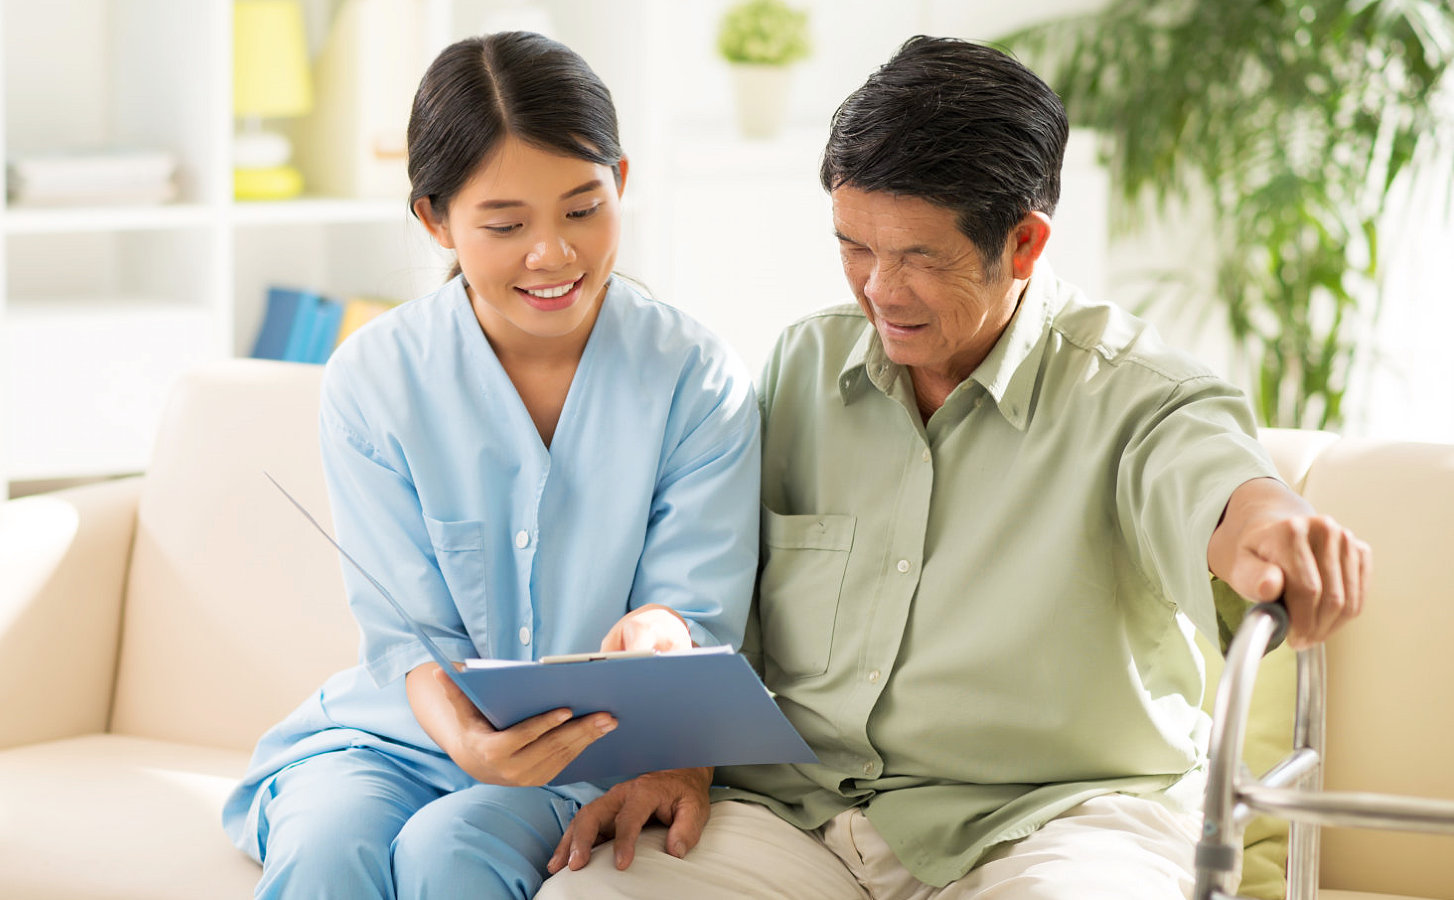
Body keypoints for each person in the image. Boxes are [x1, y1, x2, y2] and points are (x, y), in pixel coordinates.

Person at [538, 36, 1369, 899]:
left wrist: (1270, 522)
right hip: (802, 812)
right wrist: (686, 758)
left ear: (1023, 244)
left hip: (1052, 823)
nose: (878, 290)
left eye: (919, 257)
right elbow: (718, 586)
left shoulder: (1135, 393)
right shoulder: (804, 366)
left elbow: (1216, 482)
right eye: (854, 246)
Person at [220, 31, 761, 900]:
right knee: (326, 849)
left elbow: (692, 606)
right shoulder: (374, 378)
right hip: (395, 734)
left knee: (449, 852)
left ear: (622, 182)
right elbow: (405, 638)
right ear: (435, 218)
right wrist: (468, 745)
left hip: (589, 752)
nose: (552, 254)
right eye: (506, 225)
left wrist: (659, 638)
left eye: (584, 208)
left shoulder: (696, 378)